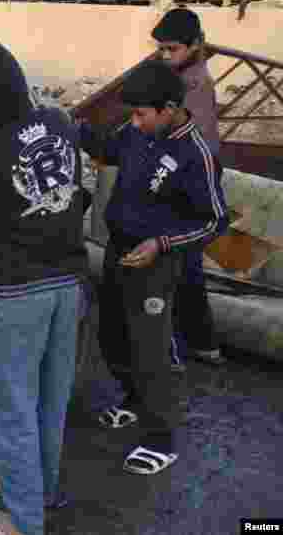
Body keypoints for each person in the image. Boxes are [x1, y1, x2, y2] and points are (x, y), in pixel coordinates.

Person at [0, 36, 89, 535]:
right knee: (52, 396)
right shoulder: (60, 123)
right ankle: (42, 491)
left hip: (20, 289)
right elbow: (82, 191)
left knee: (12, 406)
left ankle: (22, 521)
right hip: (70, 280)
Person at [79, 59, 227, 476]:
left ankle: (162, 437)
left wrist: (161, 243)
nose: (135, 121)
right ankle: (133, 398)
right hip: (120, 249)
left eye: (142, 113)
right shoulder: (137, 130)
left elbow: (215, 221)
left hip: (157, 261)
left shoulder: (195, 153)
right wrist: (71, 127)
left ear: (169, 108)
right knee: (111, 333)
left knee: (153, 350)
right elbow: (109, 149)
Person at [152, 7, 227, 368]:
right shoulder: (181, 74)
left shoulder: (195, 85)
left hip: (191, 182)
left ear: (195, 45)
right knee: (183, 266)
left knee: (185, 266)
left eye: (172, 50)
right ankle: (196, 342)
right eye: (161, 49)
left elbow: (195, 144)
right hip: (185, 178)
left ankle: (197, 343)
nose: (165, 56)